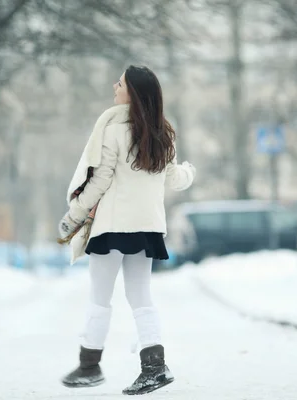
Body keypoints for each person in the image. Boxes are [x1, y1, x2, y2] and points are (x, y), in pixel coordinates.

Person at [58, 65, 195, 395]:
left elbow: (101, 179)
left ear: (131, 92)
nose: (114, 86)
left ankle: (90, 366)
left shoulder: (113, 128)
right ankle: (154, 368)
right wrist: (190, 172)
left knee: (100, 298)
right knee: (141, 297)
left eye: (119, 83)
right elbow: (175, 178)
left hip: (113, 228)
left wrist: (74, 215)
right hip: (147, 229)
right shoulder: (162, 133)